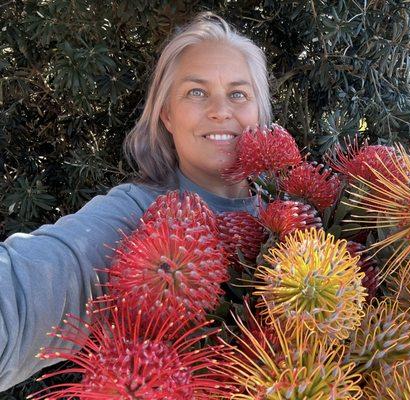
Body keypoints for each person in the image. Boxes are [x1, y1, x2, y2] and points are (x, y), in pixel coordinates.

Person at [0, 12, 272, 391]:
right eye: (196, 91)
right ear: (167, 116)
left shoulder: (297, 213)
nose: (220, 110)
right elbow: (35, 282)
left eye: (239, 94)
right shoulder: (135, 217)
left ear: (258, 112)